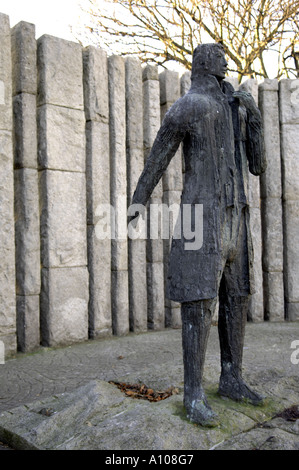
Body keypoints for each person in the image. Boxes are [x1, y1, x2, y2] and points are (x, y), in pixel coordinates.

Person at [129, 43, 267, 426]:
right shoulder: (188, 106)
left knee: (237, 297)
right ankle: (193, 394)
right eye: (221, 57)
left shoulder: (237, 107)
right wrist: (138, 201)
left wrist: (254, 117)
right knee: (198, 302)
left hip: (236, 217)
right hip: (199, 217)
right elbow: (159, 155)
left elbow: (258, 166)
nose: (227, 61)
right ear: (207, 64)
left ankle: (231, 377)